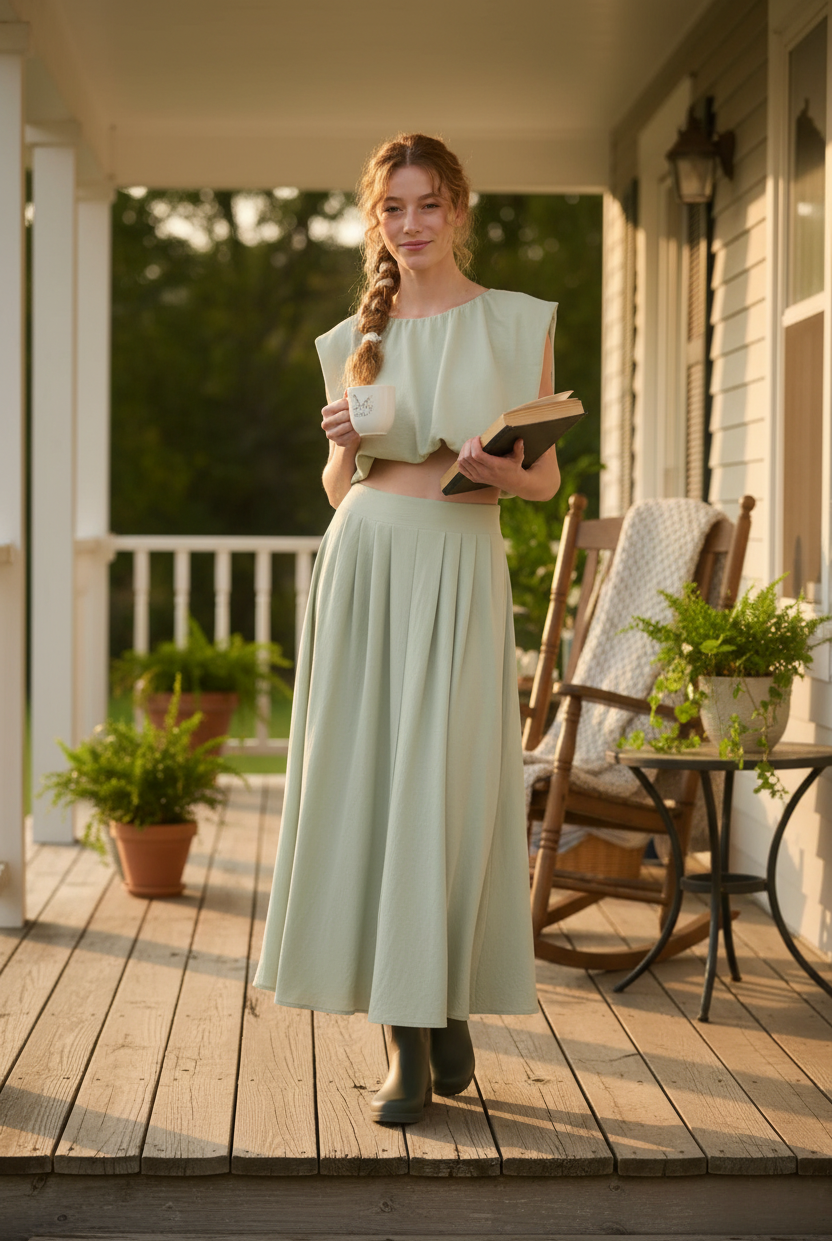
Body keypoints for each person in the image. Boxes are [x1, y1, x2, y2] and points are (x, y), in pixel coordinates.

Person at [254, 133, 561, 1124]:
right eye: (394, 208)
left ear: (458, 209)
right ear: (375, 218)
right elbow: (341, 487)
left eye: (428, 204)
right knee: (375, 786)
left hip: (462, 559)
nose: (412, 224)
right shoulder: (355, 334)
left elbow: (545, 478)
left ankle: (444, 998)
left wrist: (506, 468)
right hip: (366, 559)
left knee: (448, 789)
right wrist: (338, 445)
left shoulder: (520, 322)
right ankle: (405, 1039)